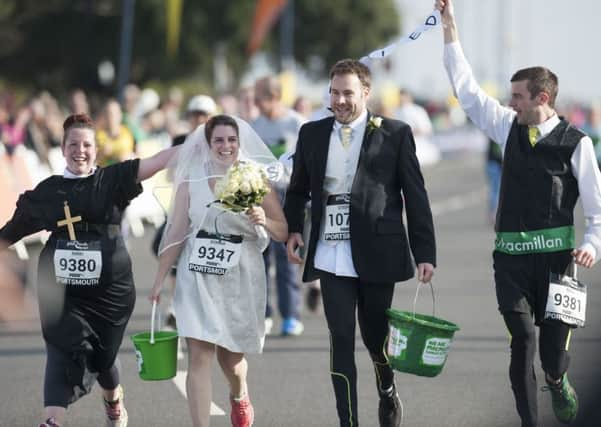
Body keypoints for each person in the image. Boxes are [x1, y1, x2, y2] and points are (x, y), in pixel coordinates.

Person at [436, 1, 601, 426]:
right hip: (510, 262)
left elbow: (596, 206)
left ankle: (556, 380)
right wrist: (450, 29)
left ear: (541, 98)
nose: (509, 103)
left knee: (552, 357)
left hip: (558, 266)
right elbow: (467, 90)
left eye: (517, 96)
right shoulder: (506, 126)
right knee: (522, 341)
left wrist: (592, 243)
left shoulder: (576, 143)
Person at [0, 113, 180, 427]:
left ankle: (113, 401)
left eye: (86, 145)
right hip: (61, 289)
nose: (79, 150)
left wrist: (203, 141)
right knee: (60, 348)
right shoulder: (49, 191)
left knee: (103, 358)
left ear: (96, 149)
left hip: (110, 291)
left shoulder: (112, 179)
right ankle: (52, 420)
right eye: (73, 144)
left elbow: (159, 160)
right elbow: (12, 231)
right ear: (62, 148)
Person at [284, 59, 436, 427]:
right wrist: (293, 229)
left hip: (378, 251)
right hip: (331, 252)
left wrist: (425, 253)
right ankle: (347, 422)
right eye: (334, 93)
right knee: (340, 337)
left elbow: (415, 196)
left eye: (347, 93)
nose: (339, 101)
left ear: (366, 93)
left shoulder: (396, 133)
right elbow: (298, 189)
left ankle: (386, 386)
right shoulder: (312, 134)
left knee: (374, 337)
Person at [150, 114, 288, 427]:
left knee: (232, 359)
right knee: (199, 355)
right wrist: (159, 280)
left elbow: (282, 230)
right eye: (219, 140)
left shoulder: (254, 177)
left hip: (240, 273)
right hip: (196, 271)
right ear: (207, 143)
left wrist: (262, 219)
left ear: (240, 143)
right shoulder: (192, 177)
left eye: (231, 140)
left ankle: (239, 395)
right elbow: (176, 232)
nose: (226, 146)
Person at [252, 75, 306, 336]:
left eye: (258, 98)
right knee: (259, 256)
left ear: (273, 97)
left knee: (285, 256)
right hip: (260, 195)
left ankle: (291, 315)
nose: (255, 102)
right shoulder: (255, 125)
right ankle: (263, 312)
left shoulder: (296, 123)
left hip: (288, 195)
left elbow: (308, 160)